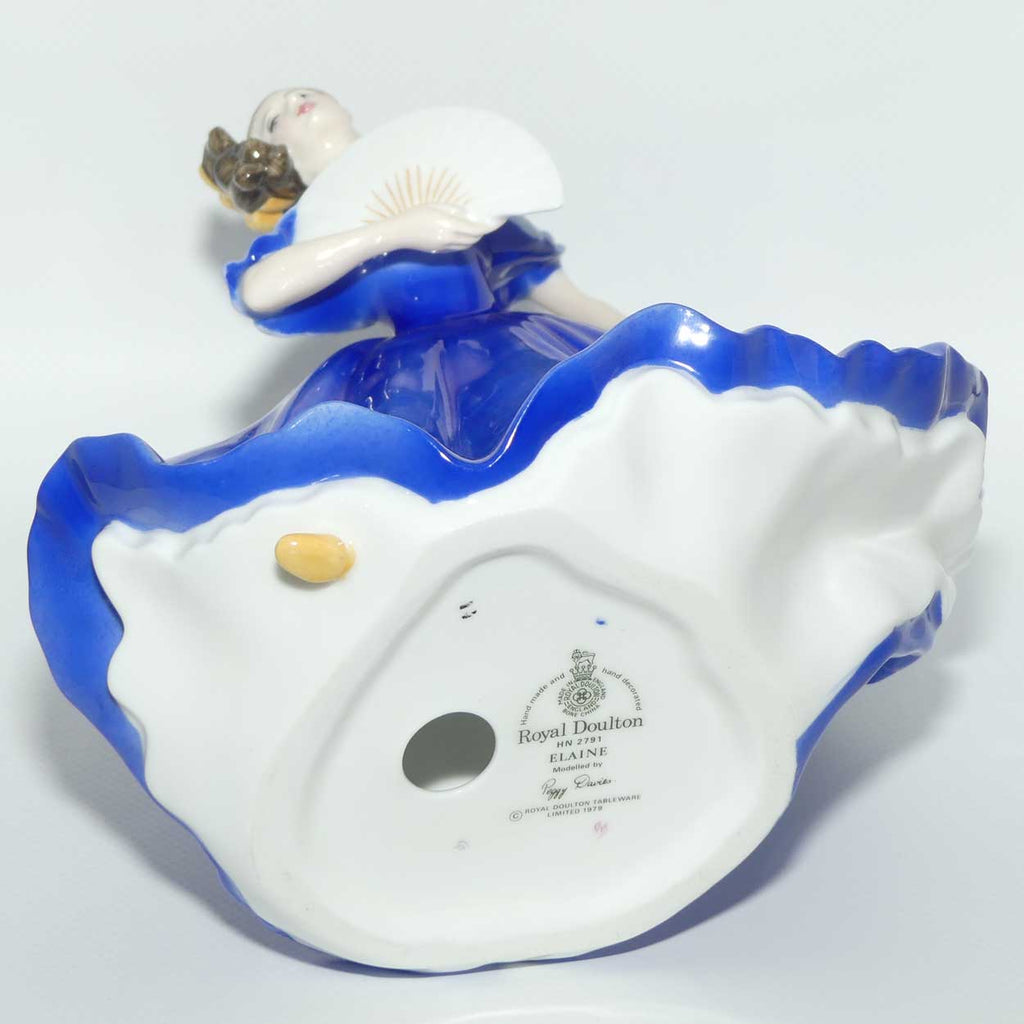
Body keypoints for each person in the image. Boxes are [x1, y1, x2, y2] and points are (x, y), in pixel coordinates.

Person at [202, 89, 623, 458]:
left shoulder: (455, 185)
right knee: (403, 439)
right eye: (273, 118)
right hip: (410, 369)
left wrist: (642, 336)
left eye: (303, 92)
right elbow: (258, 291)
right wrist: (395, 231)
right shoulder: (312, 231)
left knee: (550, 405)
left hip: (505, 345)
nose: (294, 100)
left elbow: (566, 297)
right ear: (274, 159)